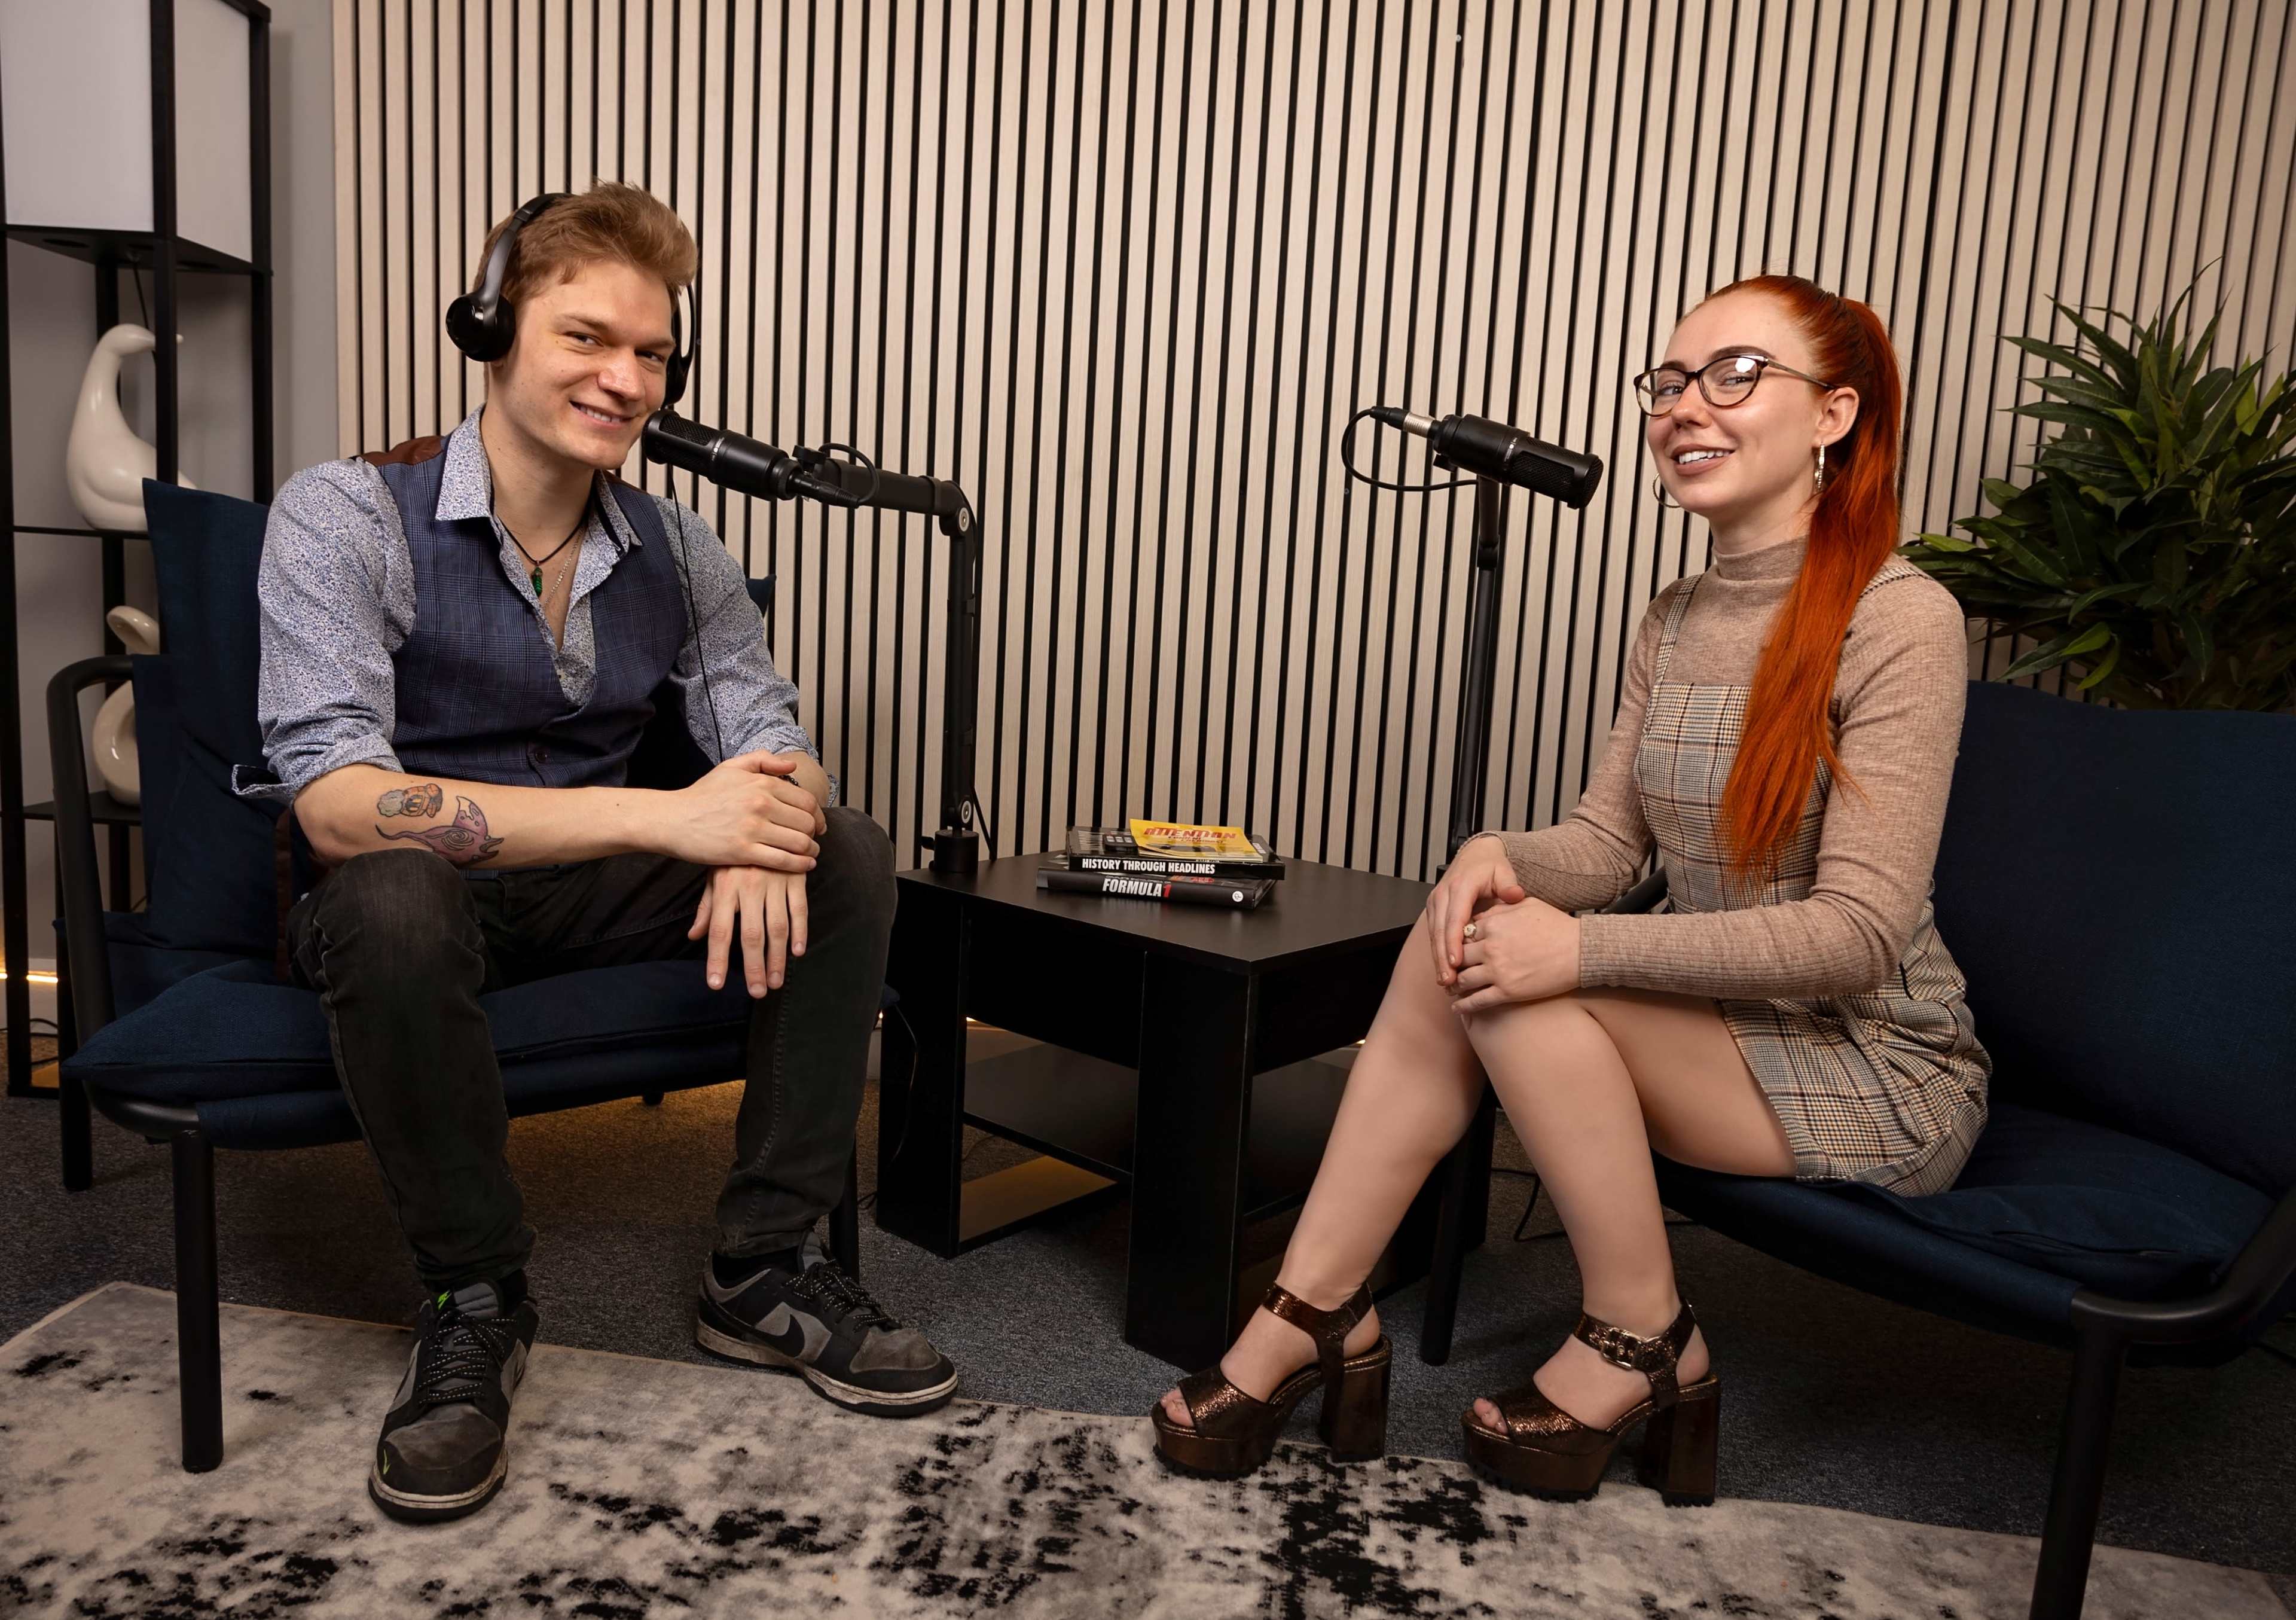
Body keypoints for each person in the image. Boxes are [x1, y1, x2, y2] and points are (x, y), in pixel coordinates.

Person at [1151, 274, 1991, 1496]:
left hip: (1873, 1054)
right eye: (1670, 380)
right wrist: (1500, 853)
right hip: (1723, 1025)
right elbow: (1609, 844)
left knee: (1522, 980)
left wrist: (1583, 952)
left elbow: (1856, 938)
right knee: (1473, 924)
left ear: (1834, 415)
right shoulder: (1675, 613)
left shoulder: (1903, 618)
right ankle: (1317, 1307)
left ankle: (1642, 1335)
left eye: (1735, 374)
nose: (1685, 406)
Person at [247, 182, 957, 1526]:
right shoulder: (344, 512)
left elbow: (778, 734)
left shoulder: (680, 547)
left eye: (652, 354)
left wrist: (769, 815)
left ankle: (763, 1266)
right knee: (394, 887)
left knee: (850, 849)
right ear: (491, 326)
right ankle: (475, 1299)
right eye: (587, 338)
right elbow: (339, 802)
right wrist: (674, 816)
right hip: (415, 904)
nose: (625, 380)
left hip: (589, 900)